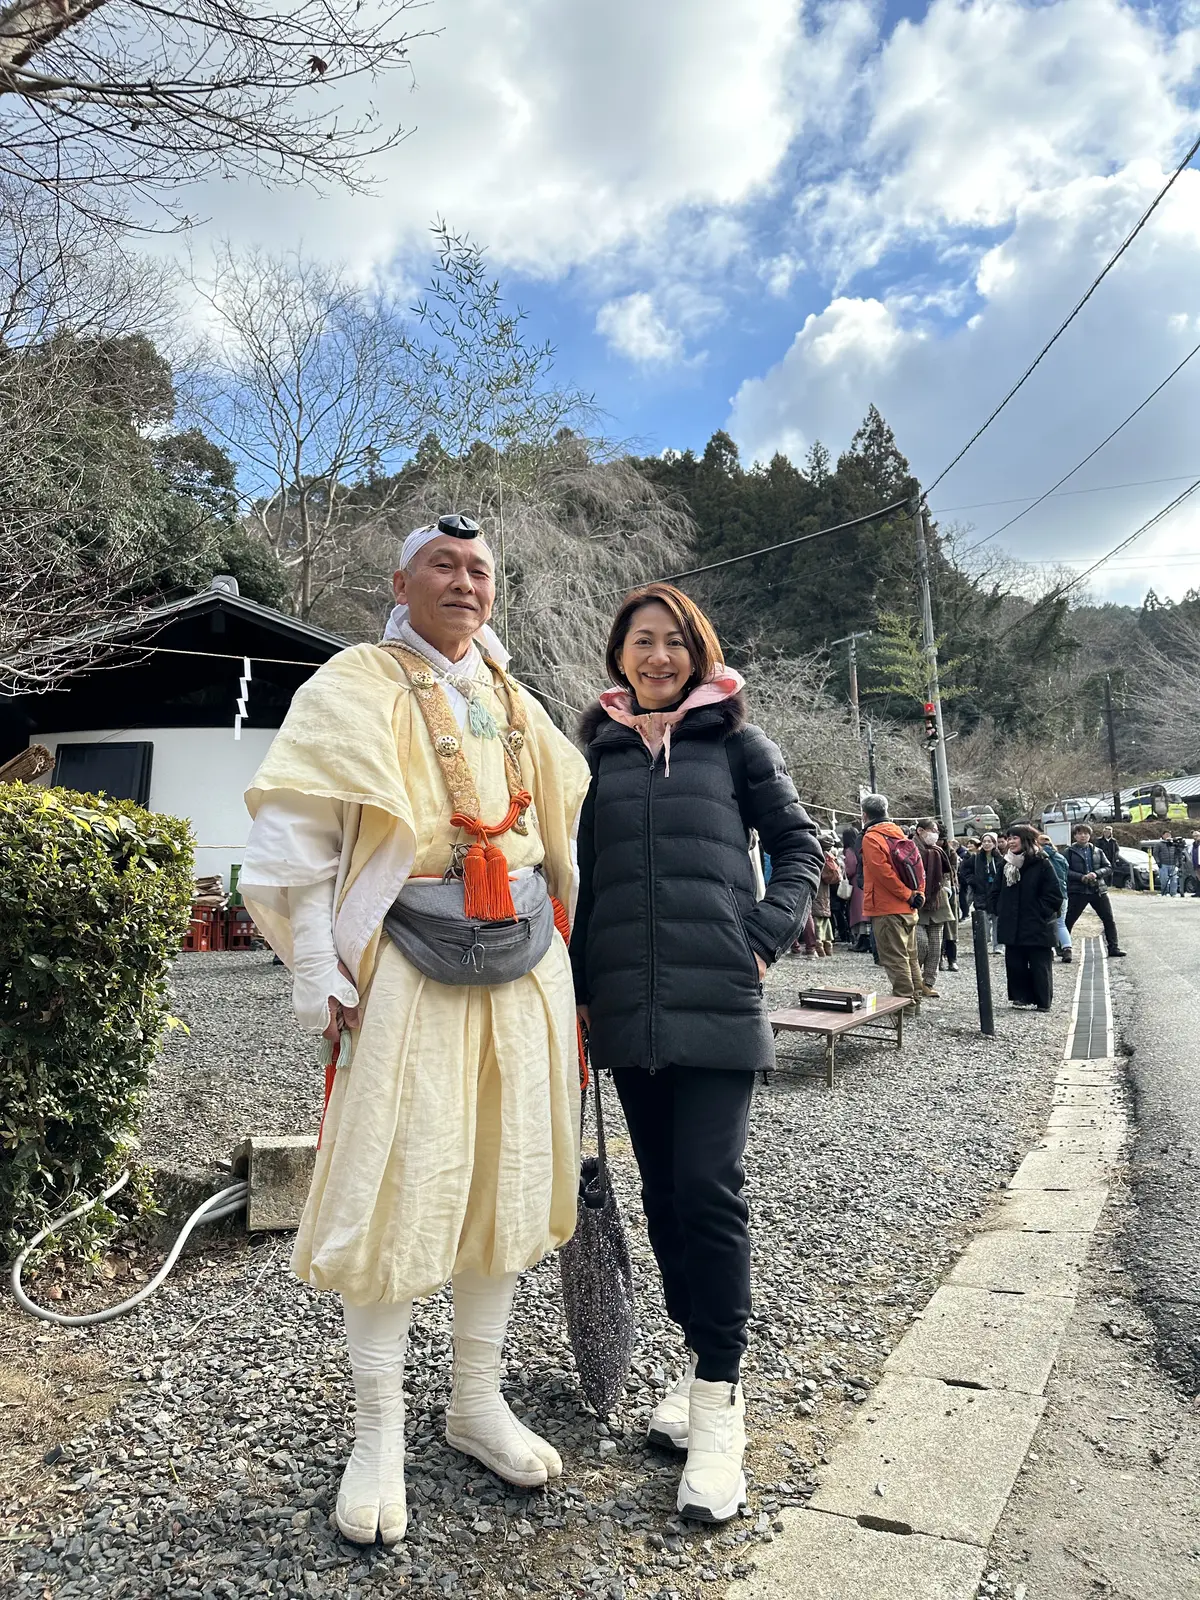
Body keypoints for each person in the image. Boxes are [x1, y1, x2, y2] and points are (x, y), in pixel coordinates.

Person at [239, 516, 591, 1547]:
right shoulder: (354, 681)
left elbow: (570, 824)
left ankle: (475, 1398)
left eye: (480, 569)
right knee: (396, 1182)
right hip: (405, 959)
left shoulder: (514, 695)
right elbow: (296, 843)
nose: (465, 581)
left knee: (510, 1170)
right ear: (401, 578)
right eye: (443, 564)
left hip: (525, 957)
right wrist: (318, 968)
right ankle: (377, 1428)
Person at [572, 582, 821, 1525]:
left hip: (718, 998)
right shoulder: (596, 752)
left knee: (710, 1187)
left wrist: (760, 934)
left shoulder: (737, 742)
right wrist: (581, 990)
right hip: (629, 1009)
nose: (657, 656)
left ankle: (721, 1396)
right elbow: (585, 881)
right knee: (664, 1195)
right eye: (640, 642)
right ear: (618, 657)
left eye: (673, 642)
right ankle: (698, 1366)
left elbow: (800, 847)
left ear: (699, 651)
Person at [860, 793, 926, 1004]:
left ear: (864, 815)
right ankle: (915, 1000)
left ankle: (905, 1003)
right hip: (909, 907)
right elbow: (918, 867)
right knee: (910, 957)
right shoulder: (900, 835)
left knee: (894, 958)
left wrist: (906, 895)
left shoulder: (872, 838)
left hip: (887, 908)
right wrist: (916, 895)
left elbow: (883, 874)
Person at [997, 824, 1063, 1010]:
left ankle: (1043, 1001)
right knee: (1015, 963)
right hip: (1012, 922)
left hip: (1037, 923)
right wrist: (998, 908)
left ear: (1025, 839)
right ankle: (1021, 997)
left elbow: (1054, 895)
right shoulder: (1006, 863)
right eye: (1009, 838)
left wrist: (1039, 911)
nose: (1010, 842)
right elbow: (996, 890)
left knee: (1039, 965)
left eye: (1014, 838)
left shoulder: (1042, 862)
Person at [1065, 823, 1126, 957]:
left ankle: (1113, 947)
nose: (1083, 836)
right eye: (1080, 833)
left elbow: (1108, 867)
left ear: (1090, 835)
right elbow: (1065, 870)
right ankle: (1065, 949)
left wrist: (1096, 874)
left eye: (1086, 833)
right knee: (1069, 920)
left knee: (1108, 919)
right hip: (1078, 891)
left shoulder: (1097, 851)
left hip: (1098, 889)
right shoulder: (1069, 852)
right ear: (1075, 836)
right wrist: (1081, 877)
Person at [914, 818, 955, 992]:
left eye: (937, 831)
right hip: (917, 900)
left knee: (936, 945)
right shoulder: (909, 848)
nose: (935, 834)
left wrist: (947, 888)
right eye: (932, 830)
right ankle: (914, 978)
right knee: (921, 943)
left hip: (938, 900)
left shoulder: (939, 851)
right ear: (920, 830)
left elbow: (948, 872)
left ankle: (928, 983)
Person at [1041, 836, 1073, 963]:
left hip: (1045, 895)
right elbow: (1065, 875)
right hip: (1062, 893)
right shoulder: (1061, 857)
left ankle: (1051, 950)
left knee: (1045, 923)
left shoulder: (1039, 857)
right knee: (1061, 923)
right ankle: (1067, 949)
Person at [973, 832, 1003, 953]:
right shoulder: (976, 858)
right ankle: (983, 944)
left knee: (997, 921)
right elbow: (965, 871)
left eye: (989, 841)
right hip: (981, 893)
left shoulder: (1000, 858)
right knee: (983, 920)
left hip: (996, 893)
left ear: (994, 843)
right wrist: (973, 881)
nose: (986, 844)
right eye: (984, 841)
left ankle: (998, 946)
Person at [842, 827, 870, 951]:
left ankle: (862, 941)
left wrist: (843, 872)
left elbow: (851, 868)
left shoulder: (849, 851)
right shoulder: (862, 847)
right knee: (865, 913)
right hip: (865, 881)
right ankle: (865, 941)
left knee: (859, 912)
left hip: (855, 884)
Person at [813, 831, 840, 956]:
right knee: (825, 917)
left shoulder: (816, 856)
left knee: (817, 918)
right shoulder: (831, 856)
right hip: (826, 889)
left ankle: (818, 944)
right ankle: (828, 944)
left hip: (817, 887)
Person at [1152, 830, 1183, 897]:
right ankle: (1164, 892)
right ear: (1163, 835)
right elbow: (1155, 854)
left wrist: (1178, 862)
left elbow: (1178, 853)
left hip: (1173, 864)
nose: (1168, 836)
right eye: (1166, 834)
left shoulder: (1174, 844)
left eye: (1169, 834)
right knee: (1164, 879)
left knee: (1174, 879)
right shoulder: (1159, 844)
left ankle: (1173, 893)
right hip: (1163, 864)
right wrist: (1158, 862)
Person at [957, 838, 977, 920]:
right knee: (966, 899)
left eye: (971, 844)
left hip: (975, 881)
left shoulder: (979, 855)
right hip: (966, 880)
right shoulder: (966, 855)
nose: (969, 845)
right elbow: (963, 868)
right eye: (968, 844)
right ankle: (966, 914)